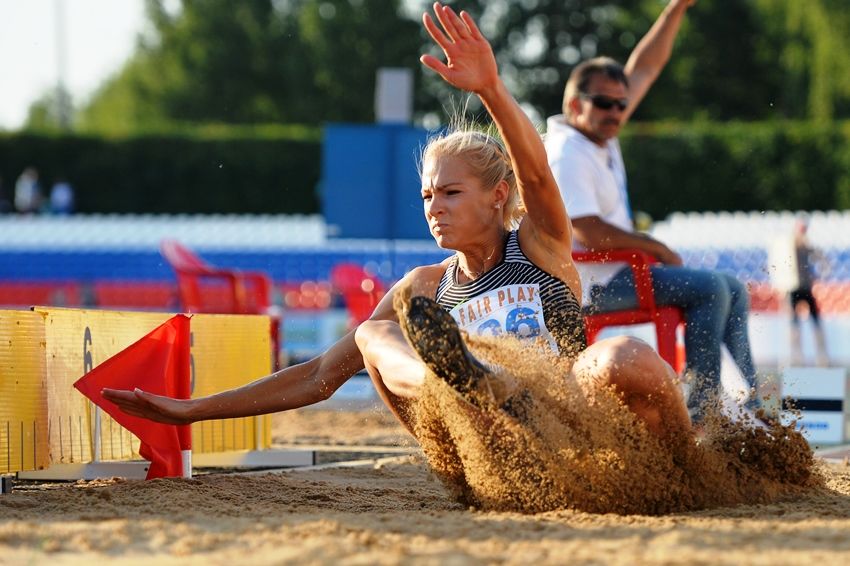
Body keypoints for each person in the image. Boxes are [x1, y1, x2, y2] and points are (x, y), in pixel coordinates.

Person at [104, 4, 691, 449]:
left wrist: (490, 87)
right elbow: (317, 376)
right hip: (479, 447)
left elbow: (537, 174)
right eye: (427, 195)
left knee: (619, 357)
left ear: (497, 196)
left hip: (562, 431)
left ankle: (691, 462)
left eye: (451, 193)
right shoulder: (424, 289)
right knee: (371, 335)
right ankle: (462, 382)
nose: (434, 206)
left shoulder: (540, 246)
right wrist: (190, 411)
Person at [544, 0, 760, 424]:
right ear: (575, 106)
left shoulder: (595, 133)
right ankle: (702, 414)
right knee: (711, 288)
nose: (617, 112)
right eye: (605, 104)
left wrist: (676, 9)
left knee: (732, 285)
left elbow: (644, 69)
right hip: (588, 286)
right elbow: (586, 230)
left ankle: (752, 401)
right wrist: (653, 245)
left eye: (621, 105)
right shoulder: (567, 151)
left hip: (615, 272)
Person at [788, 218, 829, 366]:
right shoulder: (791, 244)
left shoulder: (806, 244)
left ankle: (821, 354)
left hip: (805, 287)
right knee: (794, 323)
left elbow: (820, 257)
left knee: (815, 320)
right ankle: (796, 356)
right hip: (793, 288)